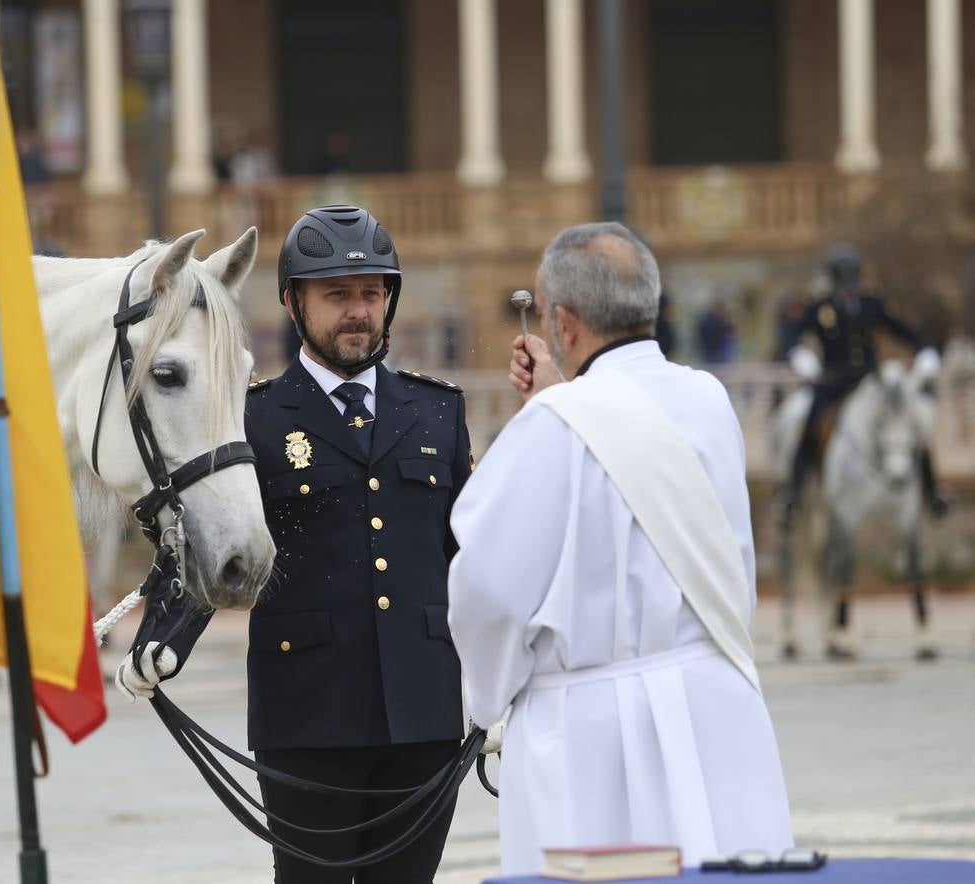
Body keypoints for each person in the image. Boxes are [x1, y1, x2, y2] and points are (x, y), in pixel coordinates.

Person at [118, 205, 476, 884]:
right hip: (308, 716)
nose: (358, 312)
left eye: (371, 293)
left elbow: (471, 560)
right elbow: (210, 544)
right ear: (293, 302)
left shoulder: (436, 410)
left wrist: (504, 688)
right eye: (337, 295)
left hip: (425, 716)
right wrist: (163, 637)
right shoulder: (251, 416)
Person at [448, 222, 793, 876]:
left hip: (592, 732)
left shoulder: (550, 429)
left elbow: (487, 593)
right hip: (714, 700)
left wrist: (489, 701)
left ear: (564, 324)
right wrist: (564, 399)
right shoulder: (708, 400)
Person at [777, 244, 945, 519]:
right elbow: (791, 334)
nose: (848, 285)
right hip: (832, 382)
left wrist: (924, 349)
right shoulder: (820, 306)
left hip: (871, 381)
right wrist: (797, 354)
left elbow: (902, 329)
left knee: (910, 423)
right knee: (809, 427)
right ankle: (793, 493)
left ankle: (933, 492)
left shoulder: (872, 303)